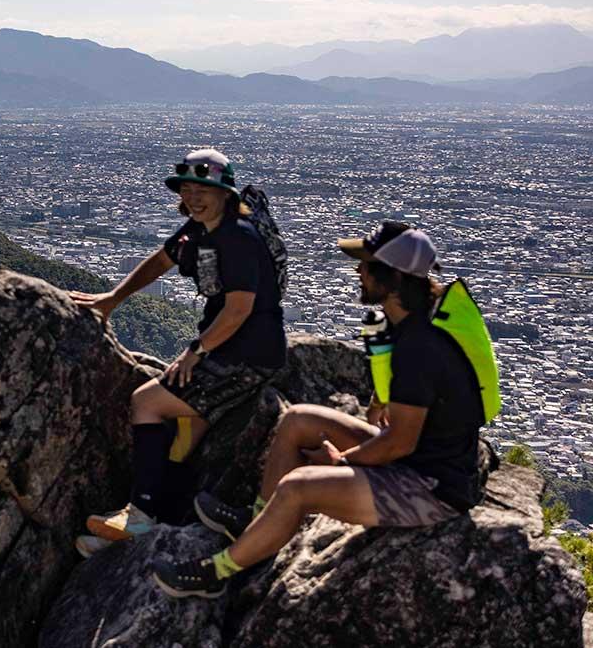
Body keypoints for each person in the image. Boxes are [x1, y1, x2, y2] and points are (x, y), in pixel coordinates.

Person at [152, 223, 485, 599]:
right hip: (422, 460)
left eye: (366, 265)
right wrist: (375, 409)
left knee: (297, 488)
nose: (358, 272)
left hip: (432, 489)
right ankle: (259, 524)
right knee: (298, 420)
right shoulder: (417, 323)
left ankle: (217, 573)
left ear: (393, 279)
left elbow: (399, 444)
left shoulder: (421, 347)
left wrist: (343, 463)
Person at [72, 148, 287, 555]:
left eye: (203, 189)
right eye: (187, 189)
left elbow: (240, 308)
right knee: (185, 433)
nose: (193, 197)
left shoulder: (237, 236)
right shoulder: (198, 229)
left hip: (245, 355)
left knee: (146, 404)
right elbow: (162, 261)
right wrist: (113, 298)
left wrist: (195, 350)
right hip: (232, 348)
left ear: (226, 192)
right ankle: (159, 521)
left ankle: (140, 517)